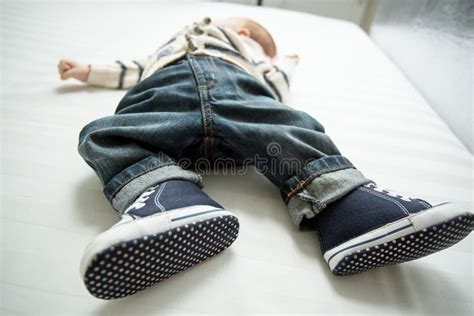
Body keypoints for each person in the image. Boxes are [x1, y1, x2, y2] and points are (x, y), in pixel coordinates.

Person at [58, 17, 473, 300]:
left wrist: (281, 64)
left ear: (241, 34)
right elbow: (128, 70)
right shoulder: (160, 56)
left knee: (288, 128)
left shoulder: (250, 60)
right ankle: (170, 199)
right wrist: (87, 70)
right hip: (163, 104)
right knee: (102, 133)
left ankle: (351, 212)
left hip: (241, 102)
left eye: (252, 39)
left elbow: (276, 82)